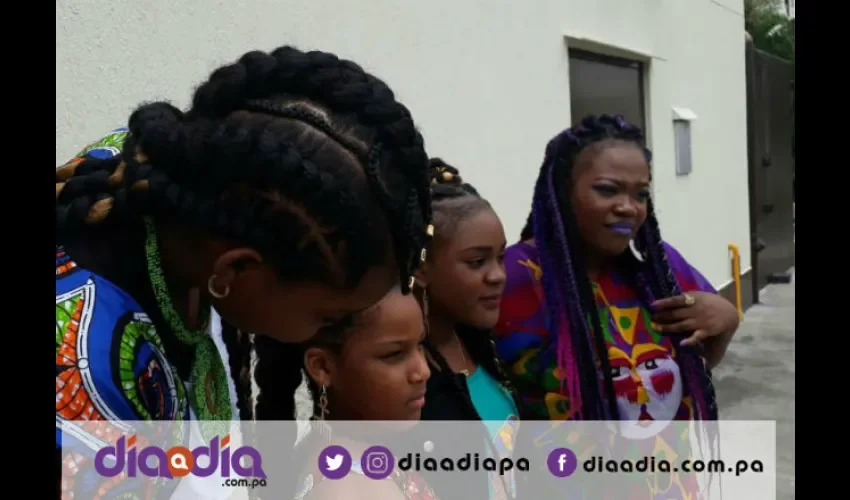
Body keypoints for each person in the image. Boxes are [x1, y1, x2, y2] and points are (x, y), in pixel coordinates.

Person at [56, 46, 433, 499]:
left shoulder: (181, 188)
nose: (329, 332)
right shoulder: (82, 382)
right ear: (236, 269)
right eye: (328, 318)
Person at [494, 114, 740, 497]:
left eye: (641, 194)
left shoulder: (658, 268)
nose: (629, 207)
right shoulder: (515, 278)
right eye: (608, 190)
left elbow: (701, 359)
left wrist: (725, 321)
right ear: (562, 191)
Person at [414, 159, 525, 500]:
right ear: (421, 268)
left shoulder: (483, 350)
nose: (498, 275)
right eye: (477, 262)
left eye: (500, 257)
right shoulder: (410, 382)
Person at [292, 286, 439, 500]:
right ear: (322, 367)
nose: (423, 371)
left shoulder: (356, 451)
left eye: (419, 345)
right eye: (394, 354)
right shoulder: (348, 489)